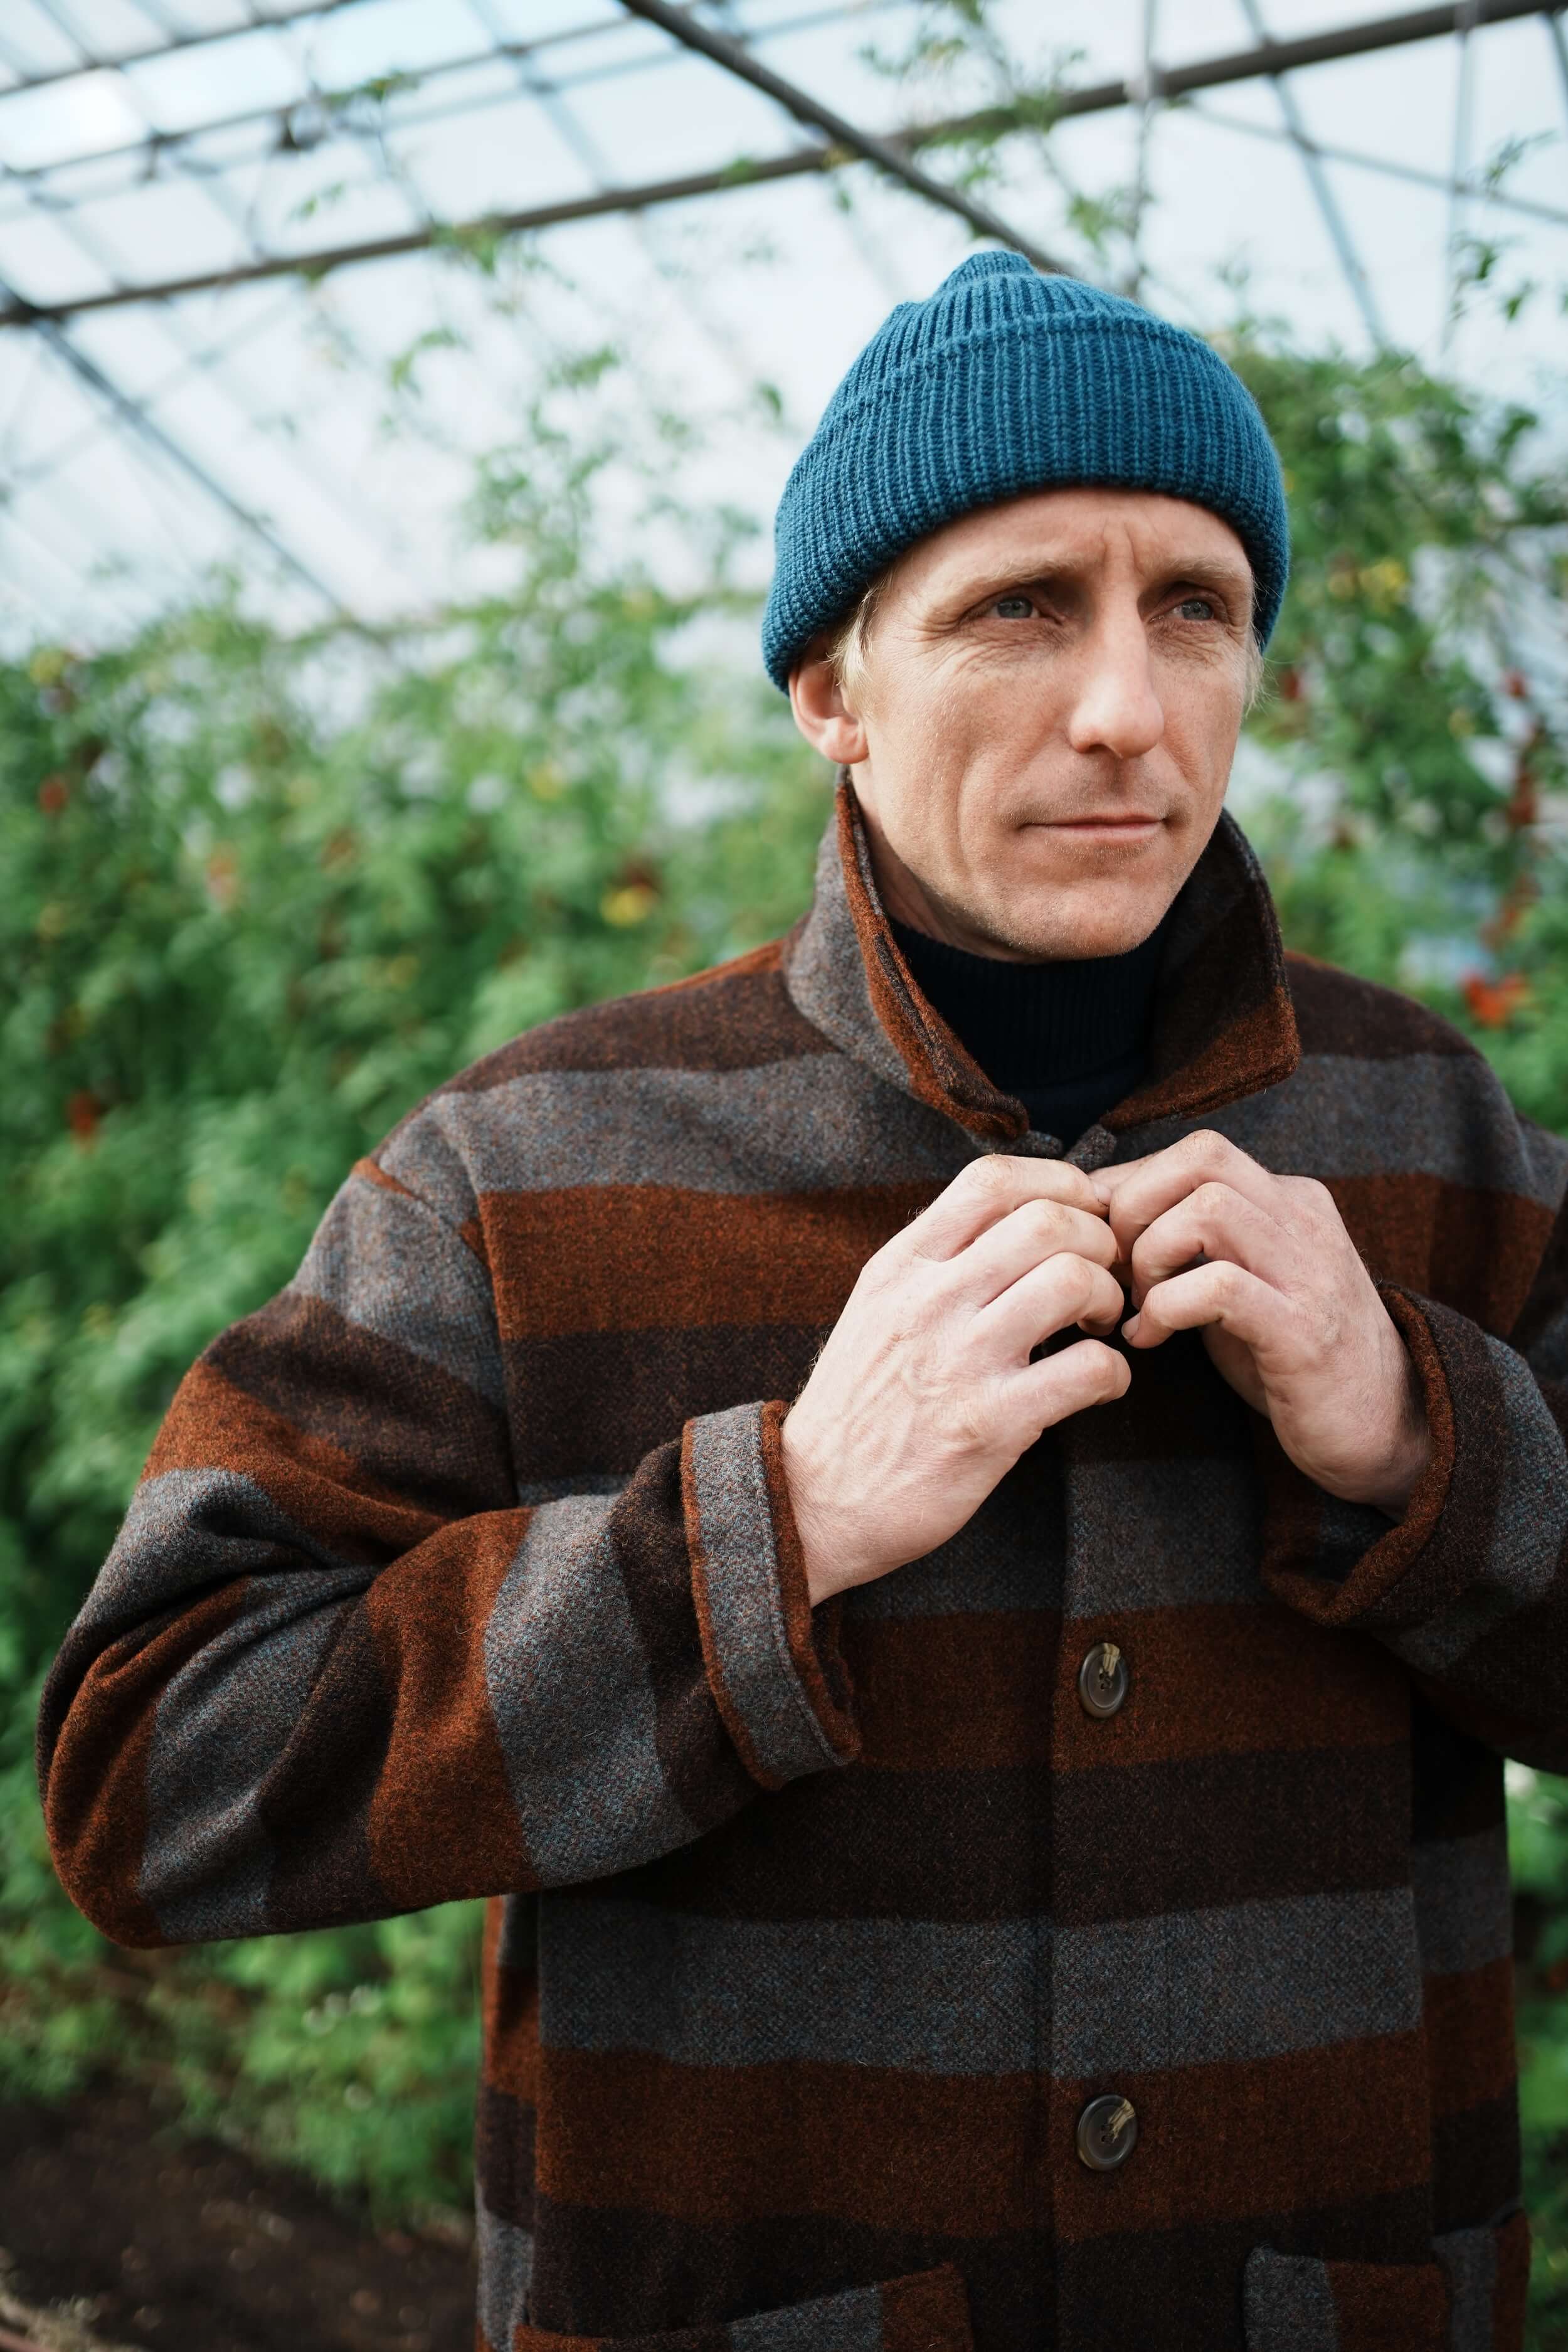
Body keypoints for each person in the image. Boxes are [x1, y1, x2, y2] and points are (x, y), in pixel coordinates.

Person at [39, 253, 1567, 2352]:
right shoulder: (531, 1168)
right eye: (1018, 606)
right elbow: (152, 1775)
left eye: (1193, 606)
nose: (1125, 706)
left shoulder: (1434, 1135)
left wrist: (1420, 1441)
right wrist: (772, 1531)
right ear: (832, 696)